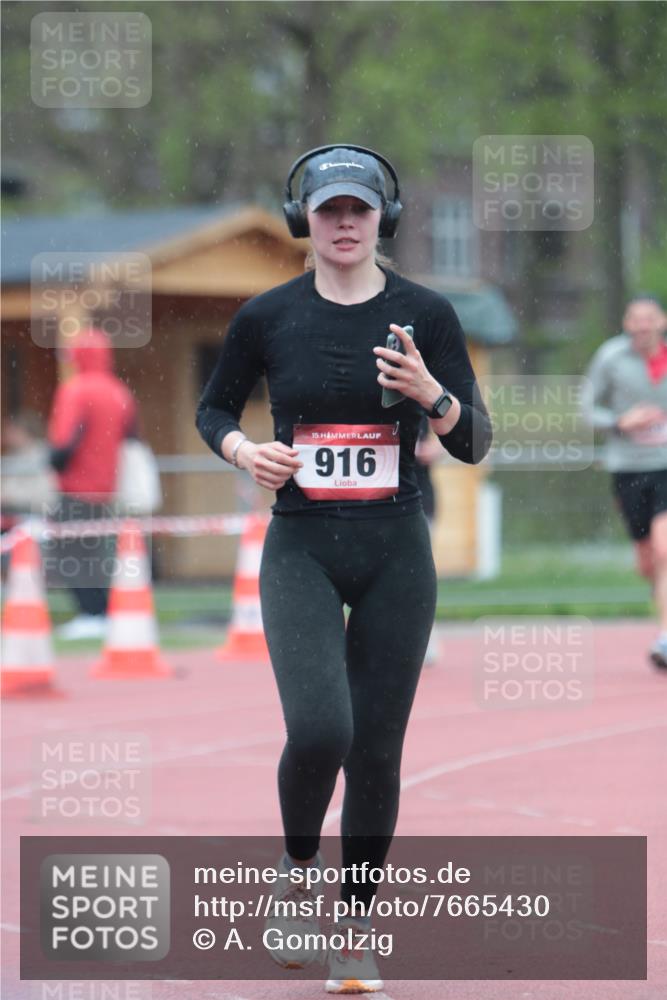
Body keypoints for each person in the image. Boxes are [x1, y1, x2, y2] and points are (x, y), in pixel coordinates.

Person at [196, 144, 492, 993]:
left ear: (382, 219)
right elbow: (213, 408)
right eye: (329, 210)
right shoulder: (266, 316)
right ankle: (295, 871)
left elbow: (473, 441)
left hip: (396, 552)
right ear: (306, 221)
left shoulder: (425, 314)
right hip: (302, 548)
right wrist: (245, 450)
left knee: (376, 752)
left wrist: (432, 395)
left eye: (360, 209)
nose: (345, 223)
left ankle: (355, 928)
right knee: (323, 728)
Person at [582, 295, 667, 671]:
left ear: (662, 322)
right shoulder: (611, 357)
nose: (643, 325)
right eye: (636, 318)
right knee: (648, 560)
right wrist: (621, 421)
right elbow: (586, 408)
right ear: (626, 323)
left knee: (665, 550)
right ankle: (658, 590)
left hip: (665, 466)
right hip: (628, 468)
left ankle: (665, 638)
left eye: (650, 318)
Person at [47, 327, 137, 640]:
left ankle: (91, 613)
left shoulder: (75, 390)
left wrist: (53, 464)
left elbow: (63, 443)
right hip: (107, 487)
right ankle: (101, 611)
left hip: (76, 487)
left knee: (69, 553)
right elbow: (131, 436)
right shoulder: (119, 391)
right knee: (96, 553)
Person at [414, 413, 443, 665]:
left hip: (419, 498)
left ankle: (425, 640)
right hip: (369, 501)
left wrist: (438, 447)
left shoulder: (420, 394)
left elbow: (468, 427)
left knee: (419, 572)